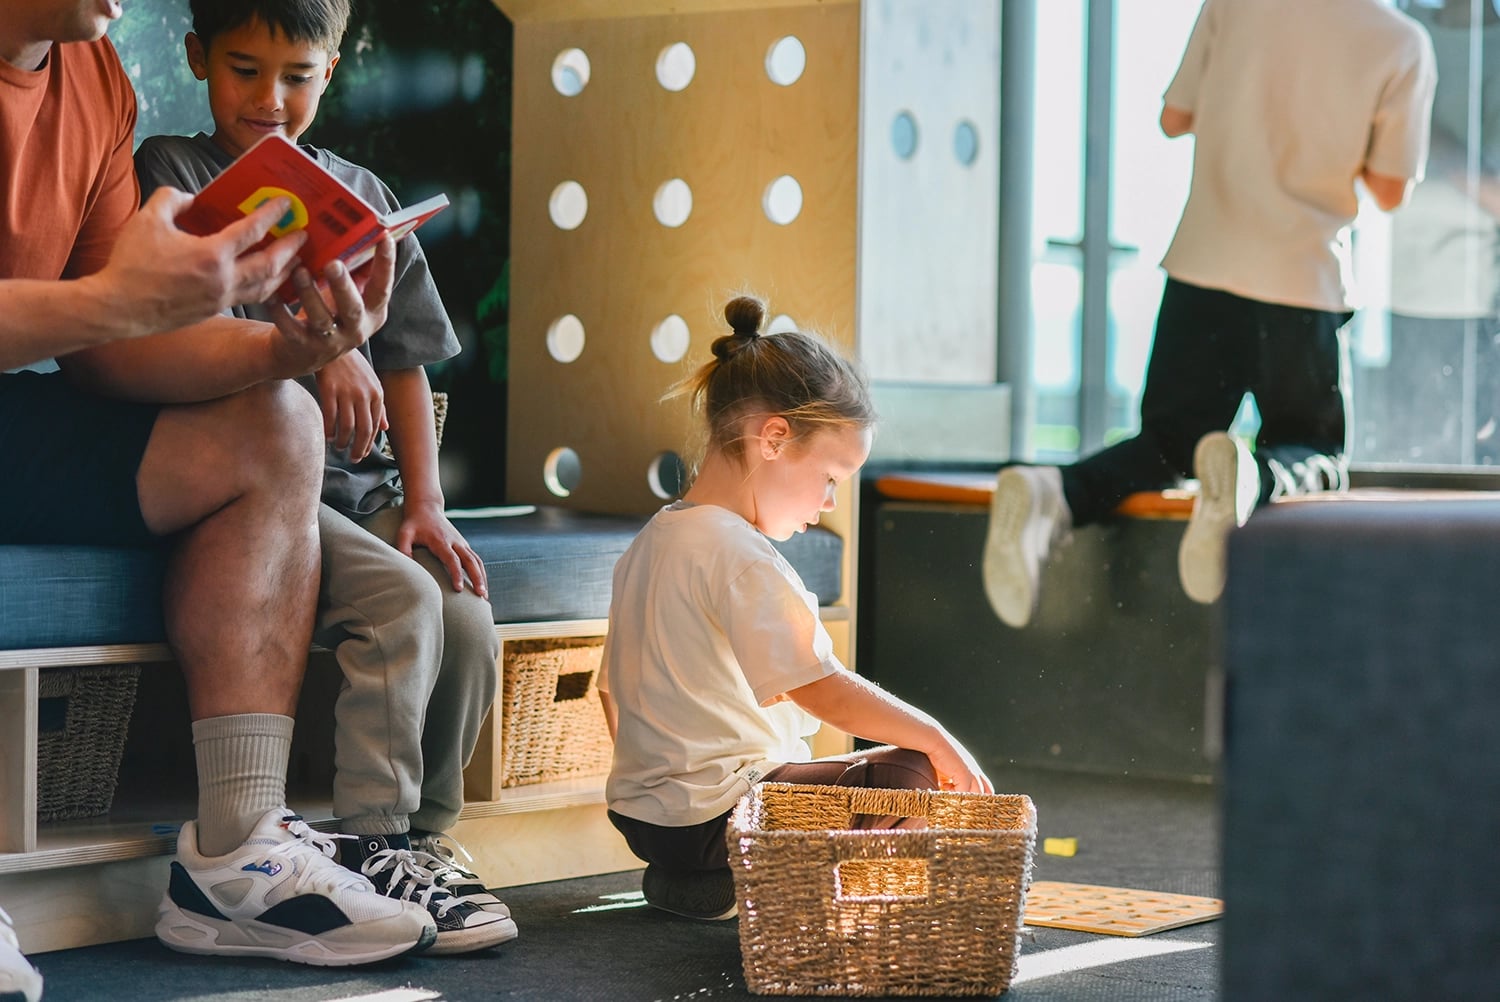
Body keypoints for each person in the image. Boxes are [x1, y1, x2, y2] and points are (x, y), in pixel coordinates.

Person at [1, 0, 438, 970]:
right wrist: (107, 304)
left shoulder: (97, 77)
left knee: (273, 416)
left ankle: (237, 858)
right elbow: (102, 313)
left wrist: (282, 348)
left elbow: (106, 354)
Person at [134, 0, 514, 955]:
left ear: (332, 70)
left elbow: (408, 363)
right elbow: (172, 331)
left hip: (369, 489)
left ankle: (426, 844)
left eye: (296, 76)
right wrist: (314, 348)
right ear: (196, 60)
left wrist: (425, 505)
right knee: (402, 605)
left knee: (462, 607)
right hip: (277, 488)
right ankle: (374, 838)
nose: (270, 99)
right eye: (244, 70)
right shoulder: (173, 177)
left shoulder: (362, 193)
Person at [982, 0, 1438, 627]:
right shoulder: (1401, 41)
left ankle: (1052, 491)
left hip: (1202, 262)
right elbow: (1390, 189)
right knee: (1314, 449)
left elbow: (1175, 117)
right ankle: (1247, 480)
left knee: (1168, 447)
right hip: (1301, 279)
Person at [598, 295, 994, 921]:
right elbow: (823, 690)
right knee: (911, 773)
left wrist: (665, 795)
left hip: (645, 820)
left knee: (857, 766)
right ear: (775, 439)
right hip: (730, 816)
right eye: (832, 476)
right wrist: (938, 739)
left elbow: (611, 694)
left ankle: (698, 882)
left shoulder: (652, 540)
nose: (832, 501)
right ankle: (796, 892)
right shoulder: (742, 555)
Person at [1372, 0, 1500, 466]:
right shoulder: (1397, 30)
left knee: (1459, 481)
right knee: (1399, 472)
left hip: (1471, 310)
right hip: (1383, 299)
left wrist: (1425, 139)